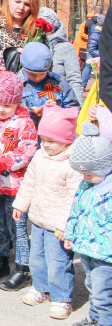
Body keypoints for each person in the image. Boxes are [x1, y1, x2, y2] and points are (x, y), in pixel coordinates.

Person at [12, 105, 83, 321]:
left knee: (59, 261)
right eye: (43, 140)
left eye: (52, 141)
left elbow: (73, 198)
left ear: (67, 140)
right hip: (39, 218)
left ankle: (62, 297)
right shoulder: (41, 157)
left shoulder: (72, 164)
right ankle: (40, 287)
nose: (46, 145)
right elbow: (29, 182)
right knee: (37, 258)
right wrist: (20, 204)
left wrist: (65, 225)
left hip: (58, 225)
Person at [0, 71, 37, 290]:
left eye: (6, 105)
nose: (0, 109)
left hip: (15, 184)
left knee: (17, 226)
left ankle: (24, 266)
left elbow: (27, 150)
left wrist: (1, 162)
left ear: (16, 102)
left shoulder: (24, 122)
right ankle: (1, 259)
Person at [63, 123, 112, 326]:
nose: (85, 178)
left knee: (103, 294)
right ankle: (94, 318)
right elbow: (76, 211)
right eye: (83, 174)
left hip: (106, 254)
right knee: (92, 286)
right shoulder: (86, 184)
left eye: (89, 174)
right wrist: (69, 233)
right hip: (87, 248)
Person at [17, 42, 80, 127]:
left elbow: (74, 111)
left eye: (42, 74)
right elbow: (5, 111)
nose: (37, 78)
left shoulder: (59, 85)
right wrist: (29, 113)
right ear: (24, 69)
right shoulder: (15, 85)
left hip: (54, 135)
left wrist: (55, 111)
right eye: (33, 75)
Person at [38, 7, 83, 99]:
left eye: (42, 27)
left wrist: (77, 108)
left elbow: (74, 80)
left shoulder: (65, 47)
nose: (40, 30)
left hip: (60, 104)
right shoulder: (32, 47)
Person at [85, 13, 105, 89]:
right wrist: (105, 54)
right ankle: (84, 84)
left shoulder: (105, 33)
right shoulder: (95, 34)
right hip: (99, 61)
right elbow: (92, 50)